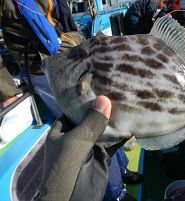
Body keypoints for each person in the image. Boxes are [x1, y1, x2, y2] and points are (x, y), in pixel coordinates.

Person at [1, 1, 142, 200]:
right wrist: (6, 91)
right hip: (46, 69)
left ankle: (122, 169)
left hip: (80, 59)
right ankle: (115, 193)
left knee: (108, 118)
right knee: (89, 132)